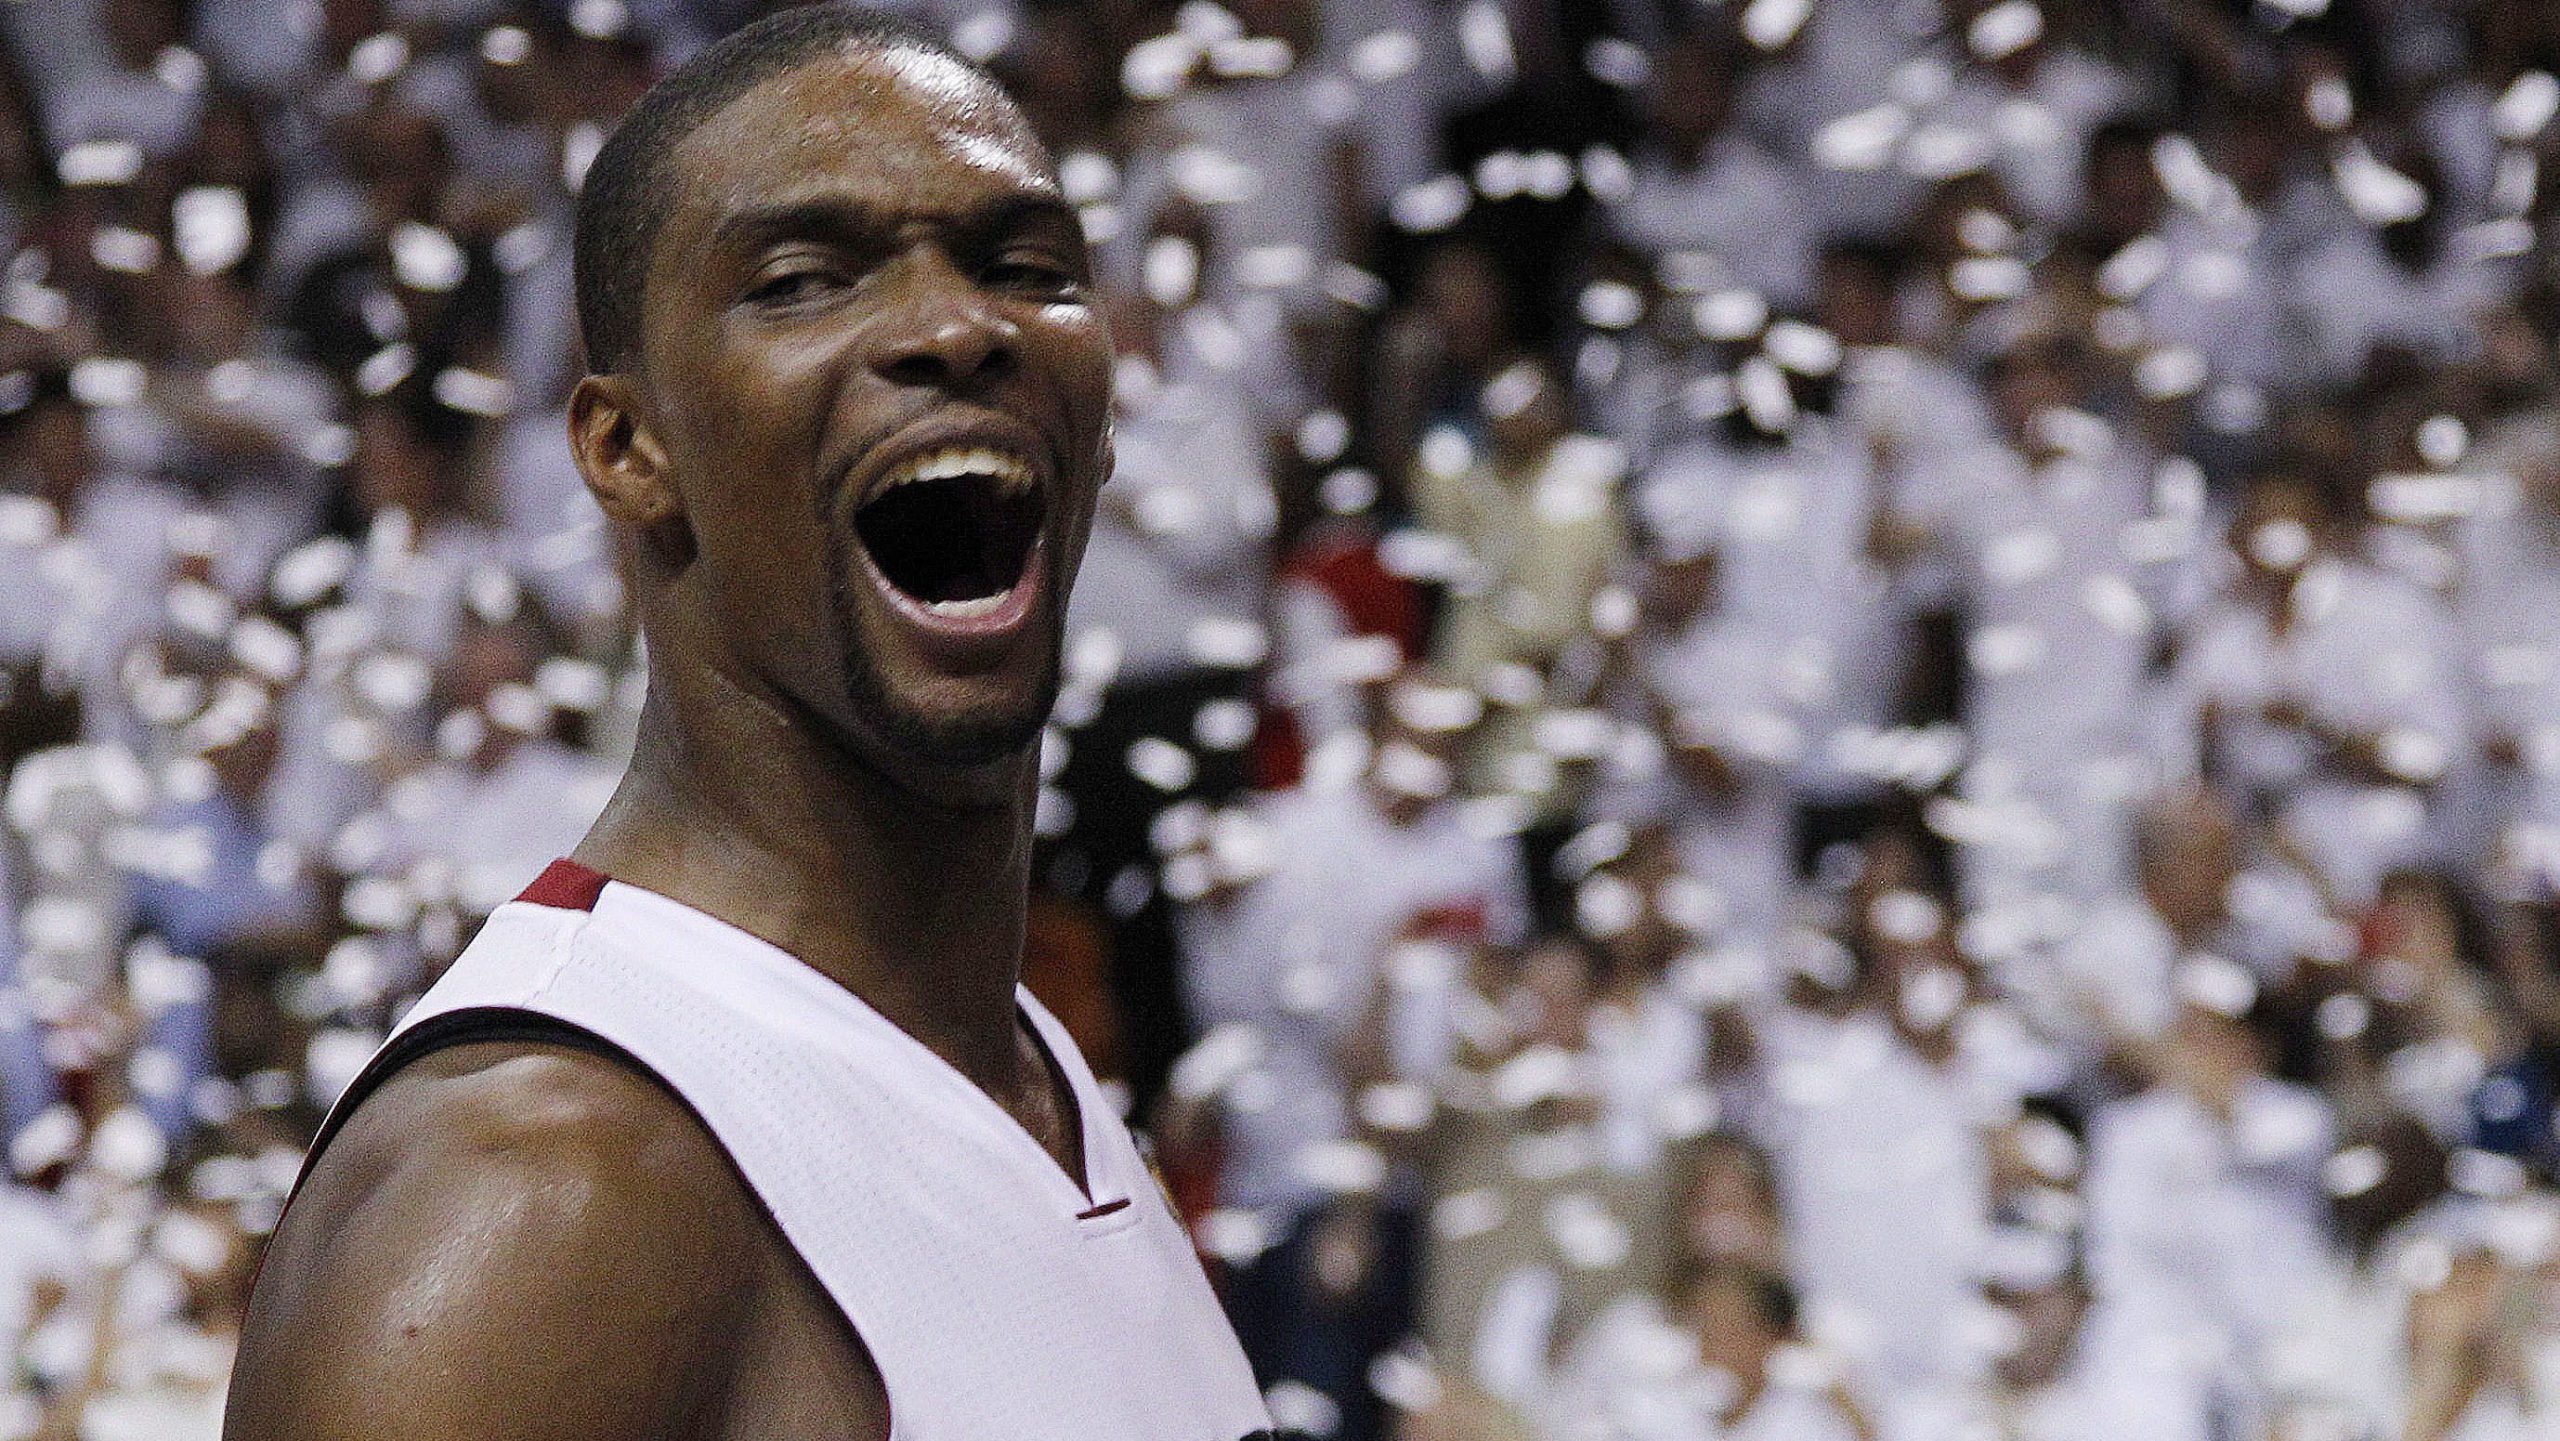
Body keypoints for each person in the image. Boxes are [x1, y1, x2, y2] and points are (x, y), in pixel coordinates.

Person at [222, 9, 1275, 1440]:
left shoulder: (1010, 1057)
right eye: (801, 281)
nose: (958, 327)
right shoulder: (536, 1191)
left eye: (1025, 268)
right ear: (626, 448)